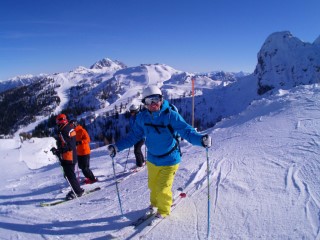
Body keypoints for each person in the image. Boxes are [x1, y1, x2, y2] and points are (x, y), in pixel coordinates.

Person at [107, 85, 212, 218]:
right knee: (153, 186)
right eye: (148, 101)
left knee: (163, 189)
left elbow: (186, 131)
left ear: (161, 99)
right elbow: (133, 136)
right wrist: (117, 147)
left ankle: (163, 211)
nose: (153, 104)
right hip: (152, 159)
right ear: (144, 104)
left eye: (156, 99)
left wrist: (201, 140)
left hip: (170, 159)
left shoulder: (171, 116)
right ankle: (154, 204)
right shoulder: (142, 118)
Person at [51, 114, 84, 200]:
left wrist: (58, 151)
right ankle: (76, 189)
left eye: (58, 122)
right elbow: (67, 144)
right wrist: (58, 151)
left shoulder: (64, 131)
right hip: (69, 156)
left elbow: (69, 146)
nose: (57, 123)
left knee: (70, 175)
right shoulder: (67, 128)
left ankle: (77, 192)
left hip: (69, 157)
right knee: (69, 175)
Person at [70, 120, 98, 184]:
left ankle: (92, 179)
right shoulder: (73, 133)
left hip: (85, 152)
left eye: (71, 125)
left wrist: (80, 142)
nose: (71, 127)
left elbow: (88, 139)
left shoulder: (82, 130)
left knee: (85, 168)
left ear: (75, 124)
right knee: (81, 167)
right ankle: (88, 178)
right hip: (79, 152)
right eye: (70, 126)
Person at [129, 104, 145, 169]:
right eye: (130, 111)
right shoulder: (132, 118)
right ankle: (142, 161)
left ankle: (139, 165)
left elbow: (144, 127)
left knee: (136, 150)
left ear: (136, 111)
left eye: (132, 112)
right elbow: (132, 127)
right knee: (138, 150)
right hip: (135, 136)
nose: (131, 113)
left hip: (141, 137)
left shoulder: (140, 117)